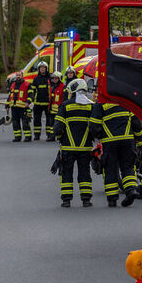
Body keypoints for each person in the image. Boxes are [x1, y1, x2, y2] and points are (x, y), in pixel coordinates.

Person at [53, 79, 95, 208]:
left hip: (68, 147)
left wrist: (60, 138)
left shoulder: (65, 105)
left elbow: (57, 128)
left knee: (66, 173)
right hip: (85, 148)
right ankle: (86, 199)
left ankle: (66, 200)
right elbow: (95, 127)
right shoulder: (91, 106)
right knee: (84, 173)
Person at [90, 98, 138, 207]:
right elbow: (136, 122)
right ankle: (131, 190)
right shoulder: (126, 100)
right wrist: (138, 137)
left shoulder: (101, 103)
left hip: (109, 141)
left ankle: (112, 199)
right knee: (127, 166)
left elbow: (94, 124)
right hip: (127, 139)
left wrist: (99, 136)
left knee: (110, 168)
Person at [29, 61, 53, 141]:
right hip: (37, 103)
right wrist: (31, 101)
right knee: (36, 120)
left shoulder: (50, 78)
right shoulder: (36, 79)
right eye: (41, 68)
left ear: (46, 68)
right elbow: (33, 91)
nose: (42, 69)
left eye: (44, 67)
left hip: (47, 103)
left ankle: (49, 135)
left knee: (49, 120)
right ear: (39, 69)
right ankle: (37, 135)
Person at [5, 71, 32, 141]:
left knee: (25, 122)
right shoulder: (13, 85)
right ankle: (17, 137)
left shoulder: (27, 84)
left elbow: (31, 95)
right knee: (15, 123)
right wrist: (7, 105)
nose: (18, 76)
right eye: (17, 75)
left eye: (19, 75)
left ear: (22, 76)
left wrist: (28, 102)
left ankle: (28, 137)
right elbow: (10, 96)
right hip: (14, 107)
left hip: (23, 107)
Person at [47, 71, 64, 142]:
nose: (54, 80)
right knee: (51, 123)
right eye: (53, 78)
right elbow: (50, 98)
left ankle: (60, 136)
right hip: (52, 110)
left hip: (59, 110)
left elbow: (64, 99)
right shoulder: (52, 87)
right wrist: (49, 107)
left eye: (56, 78)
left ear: (59, 79)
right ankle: (52, 136)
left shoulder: (63, 87)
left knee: (58, 124)